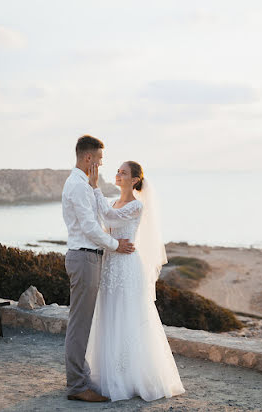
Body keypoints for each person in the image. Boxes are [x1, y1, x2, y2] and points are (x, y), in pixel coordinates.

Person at [86, 160, 185, 401]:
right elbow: (104, 221)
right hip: (110, 265)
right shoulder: (113, 202)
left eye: (124, 173)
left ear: (134, 180)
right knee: (109, 314)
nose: (118, 175)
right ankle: (108, 373)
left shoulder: (137, 206)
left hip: (128, 267)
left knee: (128, 316)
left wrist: (94, 186)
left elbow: (110, 217)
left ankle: (132, 376)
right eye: (118, 171)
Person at [62, 135, 135, 402]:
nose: (102, 165)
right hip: (84, 257)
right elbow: (91, 229)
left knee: (80, 323)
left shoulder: (83, 184)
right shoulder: (78, 186)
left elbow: (97, 219)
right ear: (88, 158)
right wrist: (117, 245)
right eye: (100, 160)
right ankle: (78, 387)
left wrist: (95, 187)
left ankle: (78, 380)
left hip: (87, 257)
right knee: (79, 325)